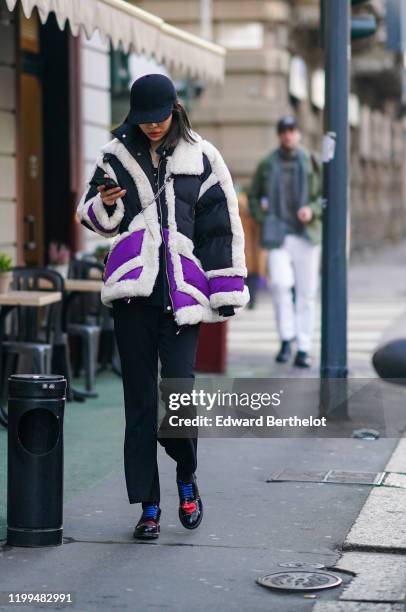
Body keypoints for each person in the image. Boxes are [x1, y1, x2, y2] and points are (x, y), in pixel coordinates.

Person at [76, 74, 249, 540]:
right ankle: (148, 505)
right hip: (132, 296)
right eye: (145, 119)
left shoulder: (203, 157)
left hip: (181, 298)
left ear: (175, 109)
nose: (153, 127)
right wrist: (104, 203)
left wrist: (225, 288)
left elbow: (221, 229)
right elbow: (95, 218)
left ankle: (185, 476)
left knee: (178, 397)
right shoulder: (113, 155)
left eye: (161, 117)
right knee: (138, 405)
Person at [249, 116, 322, 368]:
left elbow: (325, 196)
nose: (288, 135)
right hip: (277, 234)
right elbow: (253, 194)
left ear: (298, 133)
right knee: (280, 285)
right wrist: (263, 218)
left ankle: (303, 347)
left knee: (307, 292)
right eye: (283, 131)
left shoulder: (312, 161)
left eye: (292, 130)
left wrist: (311, 210)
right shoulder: (268, 163)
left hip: (306, 234)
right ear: (279, 135)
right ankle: (285, 338)